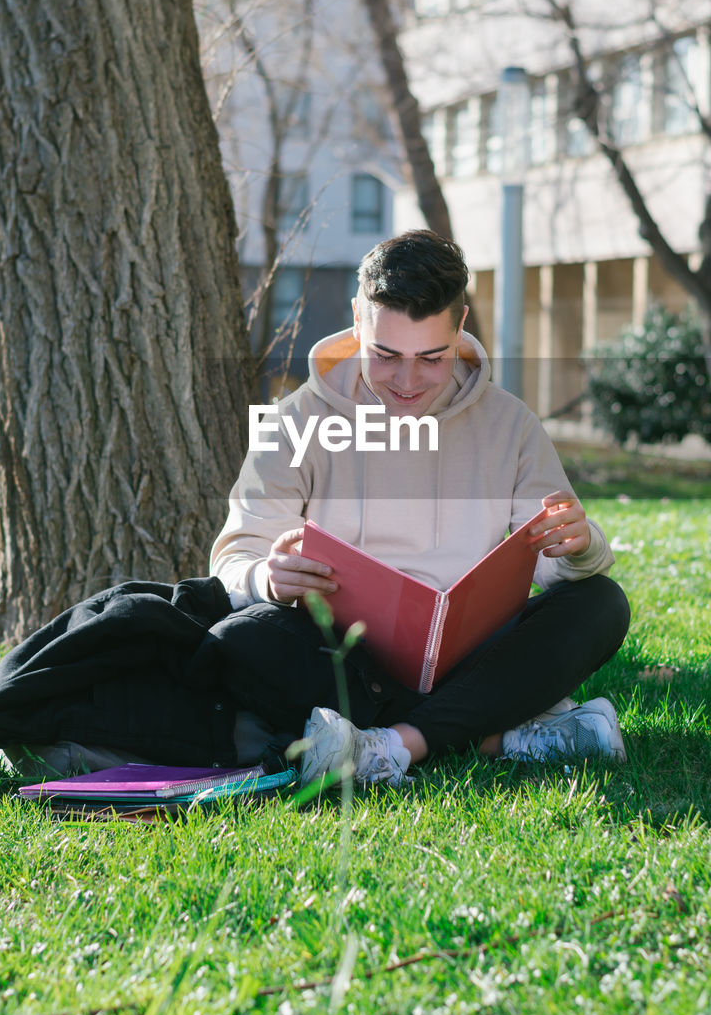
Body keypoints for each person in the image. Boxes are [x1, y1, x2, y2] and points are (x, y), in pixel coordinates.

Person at [207, 230, 630, 786]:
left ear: (460, 328)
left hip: (472, 655)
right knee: (238, 640)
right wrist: (268, 575)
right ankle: (497, 735)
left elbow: (555, 567)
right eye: (385, 355)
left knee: (600, 603)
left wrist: (580, 544)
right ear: (358, 318)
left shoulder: (510, 424)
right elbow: (235, 558)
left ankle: (391, 745)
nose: (407, 382)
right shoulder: (295, 420)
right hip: (346, 658)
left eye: (431, 358)